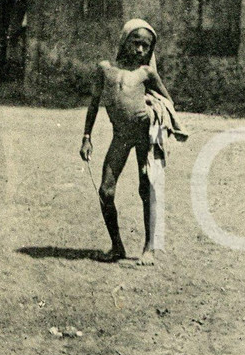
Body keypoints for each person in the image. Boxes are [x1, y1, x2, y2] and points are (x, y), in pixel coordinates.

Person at [80, 19, 186, 266]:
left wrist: (155, 106)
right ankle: (117, 246)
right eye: (136, 43)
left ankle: (149, 247)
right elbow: (94, 103)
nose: (140, 50)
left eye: (146, 47)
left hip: (145, 136)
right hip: (121, 136)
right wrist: (87, 137)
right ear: (123, 41)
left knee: (146, 186)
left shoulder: (147, 73)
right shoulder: (105, 70)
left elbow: (167, 102)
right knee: (106, 190)